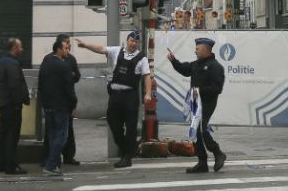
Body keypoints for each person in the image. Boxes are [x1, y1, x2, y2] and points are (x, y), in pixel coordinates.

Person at [76, 30, 151, 168]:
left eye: (136, 42)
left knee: (131, 127)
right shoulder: (117, 51)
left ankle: (127, 157)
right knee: (113, 124)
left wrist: (148, 93)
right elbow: (100, 48)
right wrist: (86, 45)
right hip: (115, 96)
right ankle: (128, 148)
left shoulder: (142, 58)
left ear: (138, 43)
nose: (134, 44)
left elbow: (147, 76)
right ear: (127, 40)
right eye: (131, 41)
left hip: (130, 97)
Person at [166, 37, 227, 173]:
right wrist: (174, 61)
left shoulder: (215, 67)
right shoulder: (196, 64)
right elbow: (184, 69)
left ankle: (217, 152)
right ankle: (202, 162)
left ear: (205, 49)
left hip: (207, 102)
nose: (195, 51)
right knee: (194, 131)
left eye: (197, 49)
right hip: (195, 103)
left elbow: (217, 89)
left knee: (201, 129)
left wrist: (199, 90)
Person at [38, 38, 77, 176]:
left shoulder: (45, 64)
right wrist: (73, 104)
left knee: (53, 135)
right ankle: (50, 165)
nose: (68, 50)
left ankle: (54, 165)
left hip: (48, 106)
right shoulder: (64, 66)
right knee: (61, 136)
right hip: (61, 106)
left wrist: (44, 103)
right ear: (58, 49)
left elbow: (40, 85)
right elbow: (69, 88)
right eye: (65, 48)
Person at [0, 37, 30, 175]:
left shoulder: (2, 61)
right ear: (14, 48)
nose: (22, 49)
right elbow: (15, 85)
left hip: (3, 104)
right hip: (11, 105)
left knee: (3, 134)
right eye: (20, 47)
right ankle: (11, 165)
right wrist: (18, 103)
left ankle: (1, 163)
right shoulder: (13, 64)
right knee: (11, 136)